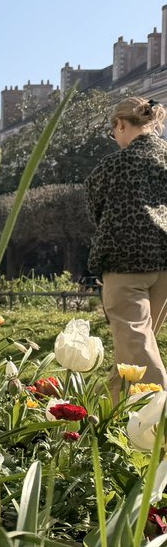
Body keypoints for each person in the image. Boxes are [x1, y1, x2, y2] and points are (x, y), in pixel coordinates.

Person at [85, 96, 167, 397]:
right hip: (164, 264)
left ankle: (161, 416)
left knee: (138, 350)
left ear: (120, 124)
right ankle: (103, 411)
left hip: (124, 264)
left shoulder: (113, 166)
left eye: (113, 132)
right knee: (132, 350)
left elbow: (94, 207)